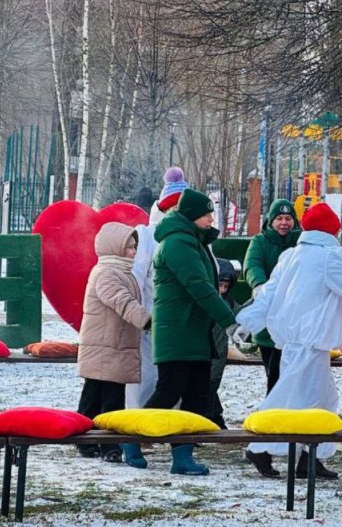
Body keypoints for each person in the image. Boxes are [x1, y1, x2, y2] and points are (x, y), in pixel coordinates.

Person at [235, 203, 342, 479]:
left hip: (296, 343)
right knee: (296, 402)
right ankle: (263, 448)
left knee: (316, 400)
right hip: (309, 344)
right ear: (332, 231)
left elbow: (269, 293)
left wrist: (247, 320)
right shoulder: (329, 258)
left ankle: (307, 458)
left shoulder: (291, 256)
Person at [129, 188, 237, 476]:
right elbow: (199, 286)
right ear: (191, 216)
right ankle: (132, 439)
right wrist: (229, 320)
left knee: (195, 395)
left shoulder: (194, 242)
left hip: (193, 331)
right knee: (169, 391)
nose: (211, 219)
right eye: (207, 214)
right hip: (177, 330)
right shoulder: (177, 244)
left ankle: (182, 455)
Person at [76, 223, 151, 462]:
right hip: (105, 346)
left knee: (100, 395)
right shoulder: (107, 273)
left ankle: (90, 440)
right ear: (115, 248)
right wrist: (146, 320)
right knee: (107, 398)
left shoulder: (120, 272)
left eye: (135, 247)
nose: (134, 252)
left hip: (112, 345)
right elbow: (122, 301)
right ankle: (105, 444)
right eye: (129, 247)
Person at [125, 168, 190, 413]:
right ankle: (138, 426)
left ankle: (172, 424)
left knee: (175, 376)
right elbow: (137, 277)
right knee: (146, 375)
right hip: (152, 318)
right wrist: (140, 315)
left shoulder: (196, 236)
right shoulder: (148, 235)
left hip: (183, 320)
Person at [242, 198, 301, 395]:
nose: (284, 223)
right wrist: (260, 286)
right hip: (269, 319)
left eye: (288, 218)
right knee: (274, 373)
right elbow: (252, 265)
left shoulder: (301, 241)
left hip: (295, 318)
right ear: (271, 221)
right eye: (279, 218)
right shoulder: (260, 241)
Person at [208, 259, 240, 429]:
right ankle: (213, 421)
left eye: (226, 287)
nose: (222, 290)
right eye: (219, 285)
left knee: (210, 389)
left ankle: (216, 420)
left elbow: (241, 315)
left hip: (218, 357)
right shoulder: (206, 302)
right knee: (203, 392)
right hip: (204, 354)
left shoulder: (229, 303)